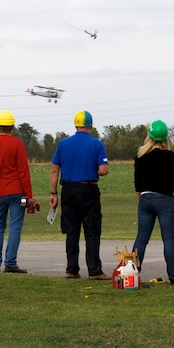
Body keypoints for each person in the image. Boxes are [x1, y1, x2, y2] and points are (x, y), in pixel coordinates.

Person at [49, 110, 110, 279]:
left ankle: (71, 269)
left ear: (75, 125)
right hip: (88, 190)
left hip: (68, 190)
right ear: (90, 126)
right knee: (92, 230)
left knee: (72, 230)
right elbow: (104, 170)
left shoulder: (63, 144)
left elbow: (54, 171)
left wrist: (53, 193)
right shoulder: (97, 144)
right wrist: (95, 169)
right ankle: (94, 270)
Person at [0, 109, 37, 274]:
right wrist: (29, 196)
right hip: (17, 192)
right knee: (15, 226)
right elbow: (23, 172)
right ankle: (10, 263)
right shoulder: (17, 144)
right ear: (12, 127)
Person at [132, 120, 174, 284]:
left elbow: (137, 182)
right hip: (164, 199)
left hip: (145, 198)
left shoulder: (141, 156)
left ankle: (132, 273)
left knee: (141, 238)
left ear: (149, 135)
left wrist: (141, 198)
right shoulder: (169, 156)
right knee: (168, 239)